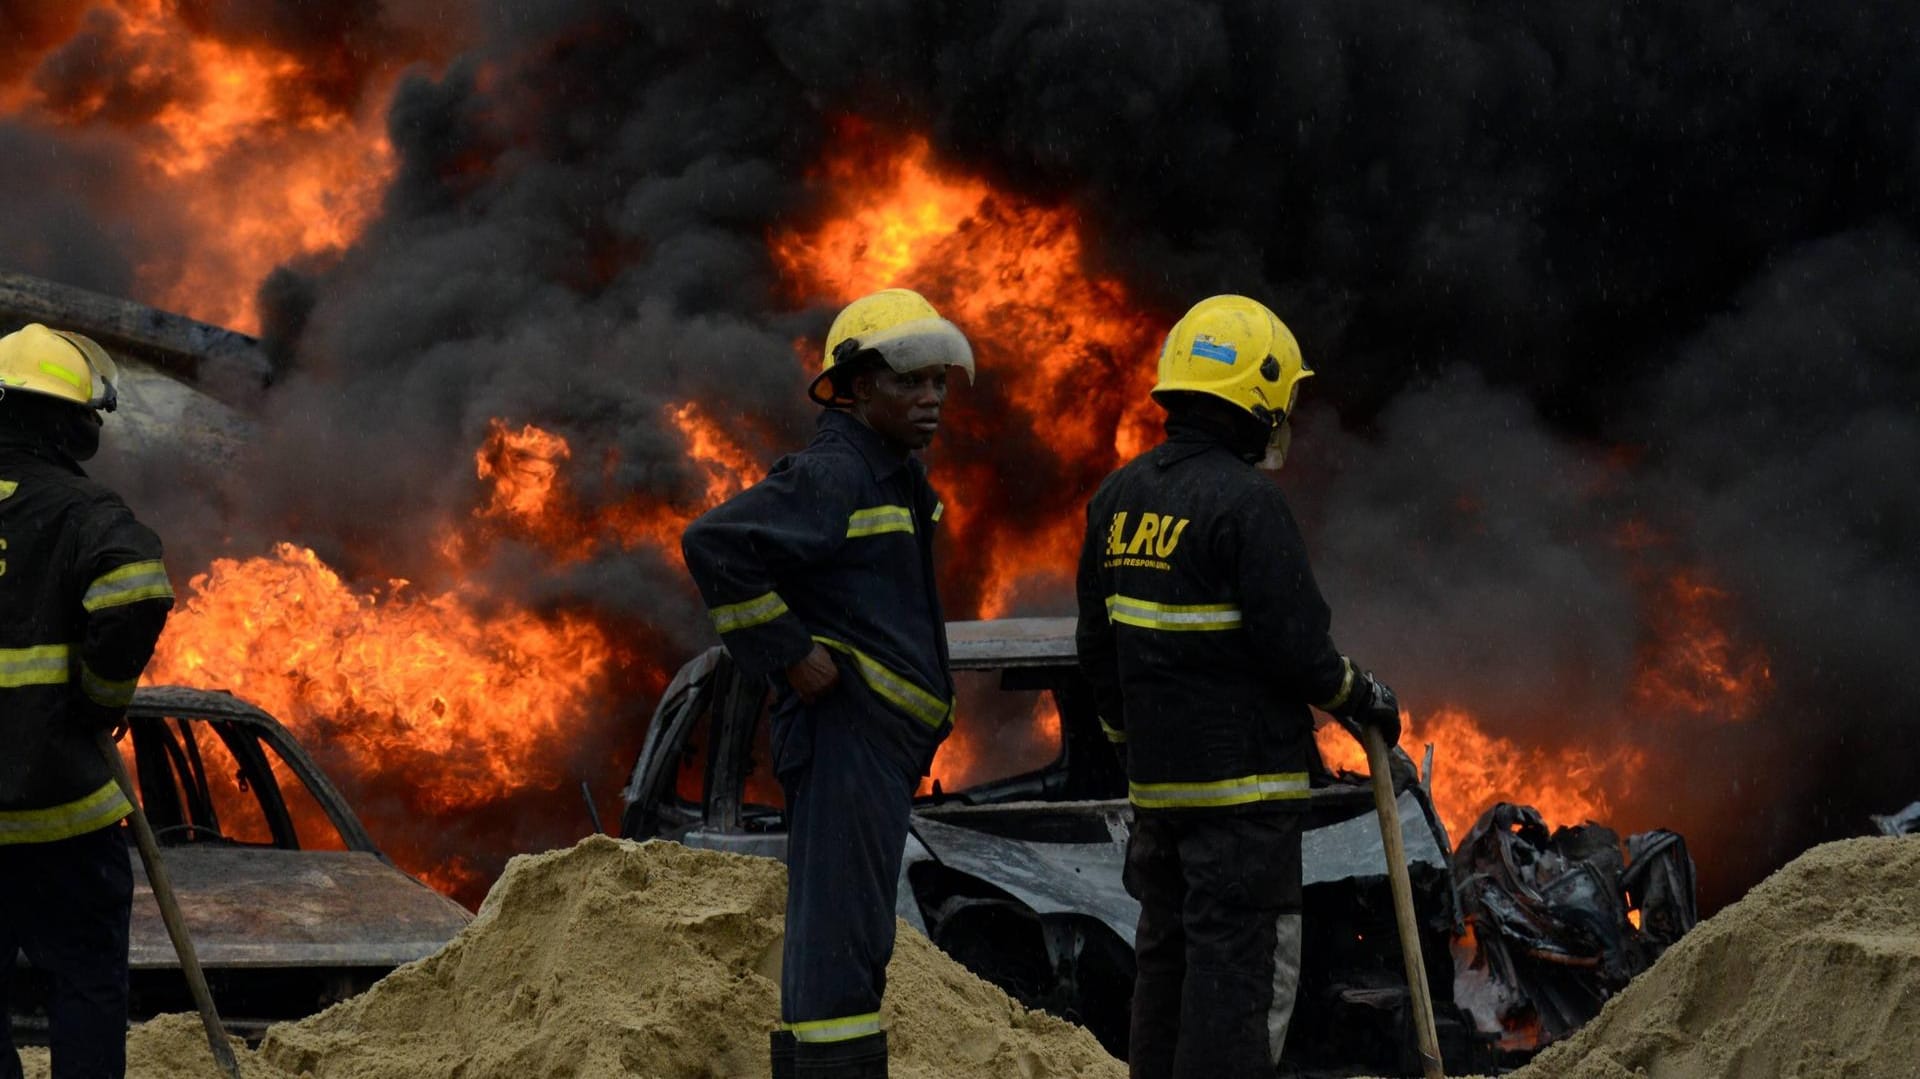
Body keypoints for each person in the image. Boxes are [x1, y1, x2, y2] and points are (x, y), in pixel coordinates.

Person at [1074, 295, 1403, 1078]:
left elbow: (1098, 649)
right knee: (1239, 997)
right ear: (1257, 401)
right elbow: (1299, 651)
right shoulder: (1249, 505)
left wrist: (1131, 744)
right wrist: (1366, 698)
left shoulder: (1115, 501)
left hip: (1159, 808)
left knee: (1166, 979)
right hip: (1245, 814)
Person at [681, 288, 974, 1079]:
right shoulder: (837, 471)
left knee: (845, 940)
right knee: (840, 950)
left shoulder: (893, 475)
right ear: (856, 385)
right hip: (847, 738)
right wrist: (789, 652)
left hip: (874, 744)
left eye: (940, 382)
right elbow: (714, 544)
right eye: (911, 381)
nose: (932, 397)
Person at [1, 323, 175, 1079]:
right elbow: (138, 590)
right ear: (59, 419)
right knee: (86, 984)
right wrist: (101, 694)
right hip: (61, 813)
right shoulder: (80, 510)